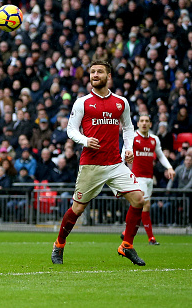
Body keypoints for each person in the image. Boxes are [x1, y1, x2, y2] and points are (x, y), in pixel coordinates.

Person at [51, 60, 146, 266]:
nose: (95, 75)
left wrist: (127, 148)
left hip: (115, 163)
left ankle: (126, 245)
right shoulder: (82, 102)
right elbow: (71, 130)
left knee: (139, 199)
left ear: (108, 76)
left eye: (99, 72)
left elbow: (129, 128)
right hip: (91, 165)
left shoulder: (121, 102)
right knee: (77, 210)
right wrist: (85, 140)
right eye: (92, 72)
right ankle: (59, 244)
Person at [120, 114, 174, 245]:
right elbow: (123, 154)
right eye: (142, 121)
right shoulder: (132, 137)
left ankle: (126, 233)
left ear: (150, 124)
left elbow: (160, 156)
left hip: (150, 179)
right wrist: (120, 170)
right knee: (145, 205)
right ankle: (151, 238)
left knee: (137, 206)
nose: (144, 123)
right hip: (138, 178)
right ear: (137, 123)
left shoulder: (154, 139)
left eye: (147, 121)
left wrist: (169, 167)